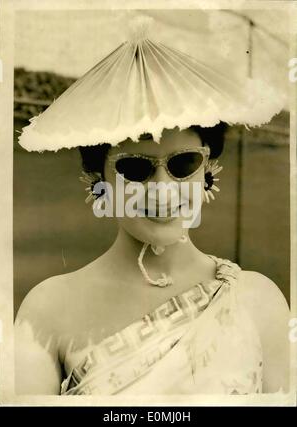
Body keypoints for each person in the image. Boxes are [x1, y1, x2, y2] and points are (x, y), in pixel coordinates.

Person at [15, 16, 289, 395]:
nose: (162, 190)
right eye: (135, 168)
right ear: (99, 181)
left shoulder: (259, 301)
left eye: (183, 164)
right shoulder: (47, 311)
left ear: (207, 168)